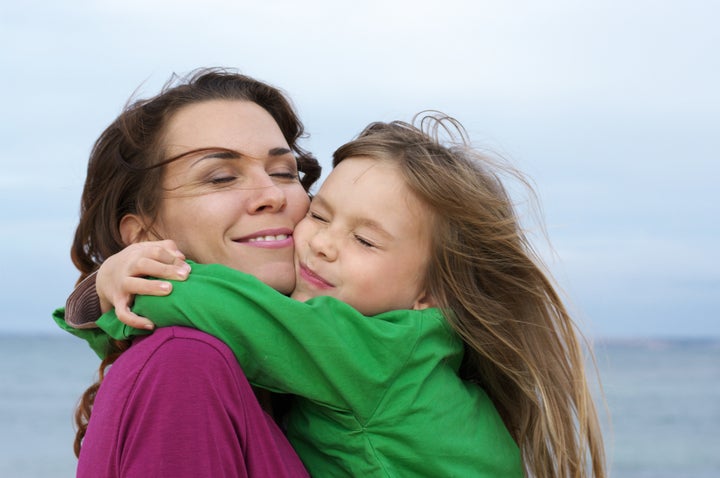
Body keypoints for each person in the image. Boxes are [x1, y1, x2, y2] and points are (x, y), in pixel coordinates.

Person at [72, 117, 607, 477]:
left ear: (432, 293)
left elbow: (229, 309)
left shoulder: (376, 356)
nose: (322, 244)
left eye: (366, 240)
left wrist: (109, 291)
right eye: (322, 214)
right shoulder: (398, 358)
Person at [52, 67, 323, 477]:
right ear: (145, 234)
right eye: (221, 177)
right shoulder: (184, 364)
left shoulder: (287, 382)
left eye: (284, 172)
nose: (272, 195)